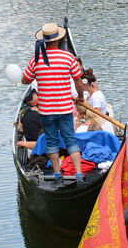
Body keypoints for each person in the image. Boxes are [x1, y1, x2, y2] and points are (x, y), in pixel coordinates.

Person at [21, 22, 85, 187]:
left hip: (47, 111)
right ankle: (79, 176)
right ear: (59, 40)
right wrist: (79, 97)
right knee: (71, 141)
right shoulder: (68, 57)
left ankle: (57, 176)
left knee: (52, 143)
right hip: (64, 109)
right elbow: (78, 81)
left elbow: (25, 80)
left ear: (44, 41)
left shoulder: (36, 59)